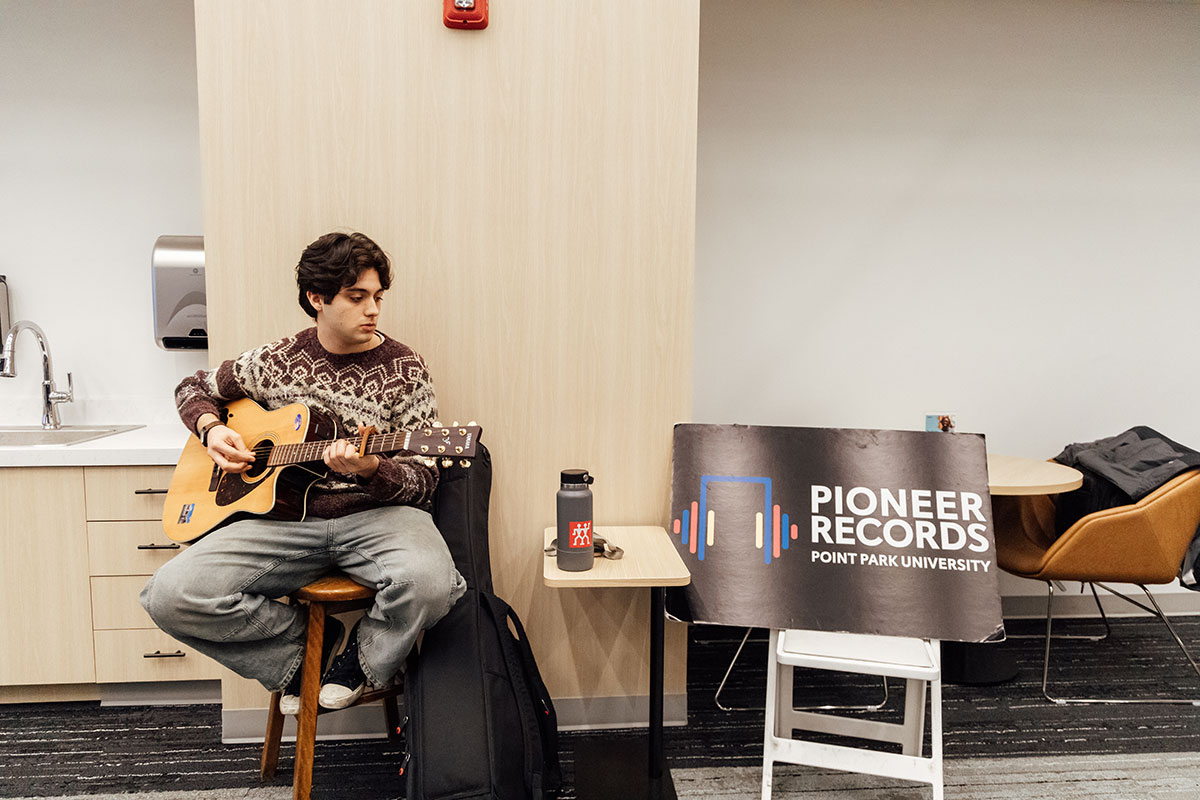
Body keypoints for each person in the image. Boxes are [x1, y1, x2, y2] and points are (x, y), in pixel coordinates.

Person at [140, 231, 466, 714]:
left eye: (377, 297)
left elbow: (424, 478)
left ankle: (360, 658)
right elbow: (193, 386)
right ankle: (301, 655)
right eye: (357, 297)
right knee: (169, 594)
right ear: (317, 298)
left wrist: (372, 468)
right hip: (282, 522)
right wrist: (210, 429)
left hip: (379, 516)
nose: (373, 310)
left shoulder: (405, 367)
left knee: (433, 584)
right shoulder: (276, 361)